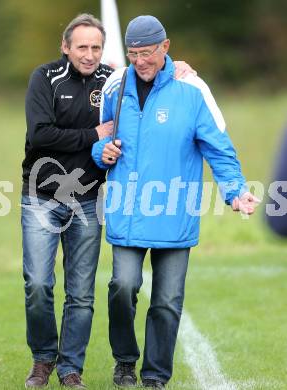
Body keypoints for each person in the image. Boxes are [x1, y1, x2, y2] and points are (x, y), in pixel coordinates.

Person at [21, 13, 195, 388]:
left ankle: (70, 368)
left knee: (81, 294)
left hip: (88, 200)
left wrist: (178, 67)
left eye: (96, 47)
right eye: (81, 47)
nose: (89, 54)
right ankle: (42, 359)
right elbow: (39, 135)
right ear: (65, 47)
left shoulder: (113, 80)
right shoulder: (44, 78)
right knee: (38, 284)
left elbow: (150, 70)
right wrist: (92, 135)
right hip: (42, 197)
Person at [92, 15, 259, 389]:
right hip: (128, 211)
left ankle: (154, 375)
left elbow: (219, 149)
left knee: (167, 302)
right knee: (122, 286)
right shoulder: (114, 87)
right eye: (133, 54)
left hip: (174, 212)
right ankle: (124, 361)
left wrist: (235, 190)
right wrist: (102, 150)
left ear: (165, 48)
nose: (140, 61)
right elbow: (100, 138)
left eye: (147, 53)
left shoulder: (193, 90)